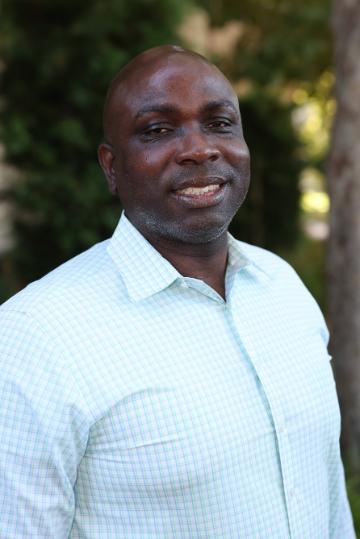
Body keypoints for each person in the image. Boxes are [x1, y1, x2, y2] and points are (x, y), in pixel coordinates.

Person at [0, 45, 355, 538]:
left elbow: (329, 498)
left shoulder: (282, 287)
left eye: (219, 123)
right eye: (158, 131)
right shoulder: (34, 336)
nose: (199, 149)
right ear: (111, 167)